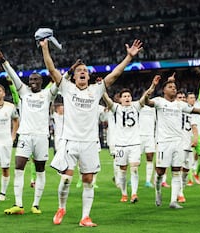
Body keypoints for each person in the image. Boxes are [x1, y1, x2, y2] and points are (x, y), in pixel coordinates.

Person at [40, 38, 143, 227]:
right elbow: (52, 69)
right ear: (74, 76)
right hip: (70, 141)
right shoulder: (67, 87)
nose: (82, 72)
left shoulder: (96, 90)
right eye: (79, 71)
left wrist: (129, 57)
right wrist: (45, 48)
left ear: (88, 77)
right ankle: (61, 207)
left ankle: (85, 217)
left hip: (89, 143)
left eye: (85, 71)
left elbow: (115, 74)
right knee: (66, 178)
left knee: (88, 180)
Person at [0, 47, 58, 215]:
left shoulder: (48, 94)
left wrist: (70, 71)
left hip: (42, 137)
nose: (32, 82)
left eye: (35, 80)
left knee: (40, 170)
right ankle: (18, 205)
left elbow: (59, 80)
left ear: (41, 82)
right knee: (19, 167)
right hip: (25, 136)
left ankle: (36, 204)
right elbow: (14, 75)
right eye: (30, 80)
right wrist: (3, 60)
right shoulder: (24, 92)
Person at [145, 74, 200, 209]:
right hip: (163, 142)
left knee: (176, 170)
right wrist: (153, 85)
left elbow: (199, 111)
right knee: (160, 171)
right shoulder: (158, 101)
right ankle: (158, 192)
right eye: (170, 87)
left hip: (178, 142)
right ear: (164, 90)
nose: (173, 89)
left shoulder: (180, 104)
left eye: (175, 87)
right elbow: (146, 101)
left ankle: (173, 201)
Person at [103, 87, 152, 203]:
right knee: (123, 170)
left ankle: (134, 194)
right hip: (120, 144)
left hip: (134, 143)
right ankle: (124, 194)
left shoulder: (136, 106)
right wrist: (102, 91)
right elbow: (108, 101)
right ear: (120, 99)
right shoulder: (117, 108)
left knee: (134, 169)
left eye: (129, 96)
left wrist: (152, 86)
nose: (127, 98)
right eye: (124, 96)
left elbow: (144, 98)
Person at [186, 69, 200, 184]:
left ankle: (196, 173)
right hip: (188, 135)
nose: (193, 99)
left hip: (199, 134)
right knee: (189, 159)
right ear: (186, 99)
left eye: (194, 97)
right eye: (191, 98)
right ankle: (189, 179)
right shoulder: (183, 108)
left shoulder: (197, 105)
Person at [175, 91, 198, 203]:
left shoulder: (189, 111)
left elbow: (194, 126)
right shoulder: (173, 110)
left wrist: (196, 138)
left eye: (184, 97)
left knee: (186, 169)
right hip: (178, 143)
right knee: (178, 169)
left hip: (188, 143)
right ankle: (180, 194)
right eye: (180, 97)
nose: (182, 99)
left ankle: (180, 190)